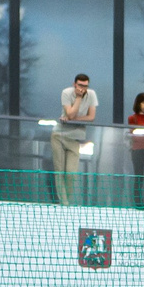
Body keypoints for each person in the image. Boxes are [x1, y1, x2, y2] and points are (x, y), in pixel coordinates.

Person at [52, 73, 98, 205]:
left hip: (75, 139)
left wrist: (74, 119)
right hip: (59, 136)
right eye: (80, 85)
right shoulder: (66, 93)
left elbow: (91, 117)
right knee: (59, 171)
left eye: (85, 86)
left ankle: (67, 202)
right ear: (74, 84)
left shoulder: (91, 95)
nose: (83, 89)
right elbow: (70, 113)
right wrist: (78, 98)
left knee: (71, 173)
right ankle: (64, 203)